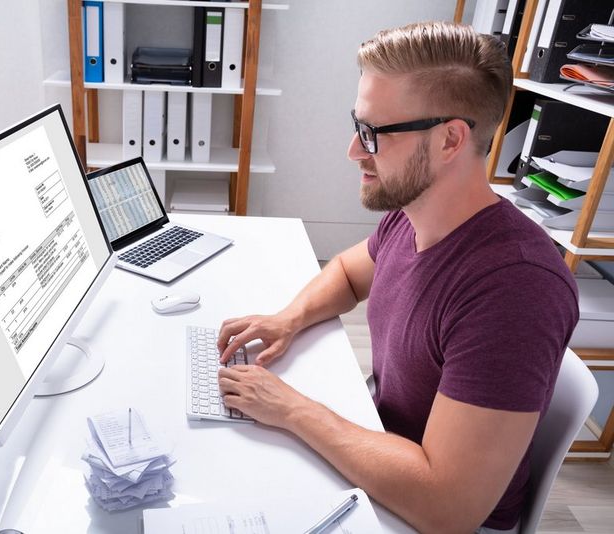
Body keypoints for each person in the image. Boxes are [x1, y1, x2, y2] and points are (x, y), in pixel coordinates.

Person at [216, 21, 579, 533]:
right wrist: (287, 318)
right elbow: (346, 272)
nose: (353, 151)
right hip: (383, 450)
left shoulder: (514, 290)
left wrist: (295, 411)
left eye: (373, 134)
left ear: (451, 139)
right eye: (356, 125)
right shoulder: (412, 214)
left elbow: (447, 507)